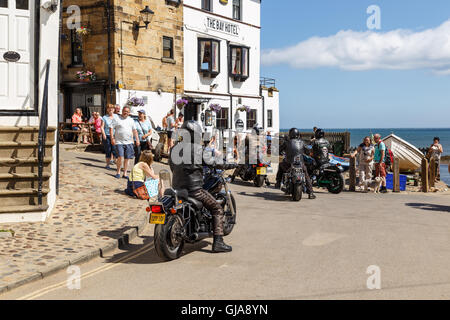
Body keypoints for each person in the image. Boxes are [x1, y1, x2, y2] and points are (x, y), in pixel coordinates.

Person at [170, 120, 232, 253]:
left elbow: (172, 167)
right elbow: (215, 163)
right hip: (194, 191)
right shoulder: (199, 150)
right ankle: (218, 242)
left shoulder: (174, 149)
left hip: (177, 189)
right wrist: (229, 165)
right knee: (217, 209)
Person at [275, 128, 315, 199]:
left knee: (280, 165)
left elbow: (279, 150)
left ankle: (278, 183)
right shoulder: (302, 142)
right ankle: (311, 193)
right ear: (298, 134)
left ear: (290, 134)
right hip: (300, 164)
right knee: (306, 176)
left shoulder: (287, 142)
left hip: (289, 164)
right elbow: (308, 151)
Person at [110, 106, 140, 179]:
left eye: (127, 111)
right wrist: (112, 138)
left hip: (129, 142)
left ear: (129, 113)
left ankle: (125, 173)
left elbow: (134, 130)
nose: (125, 112)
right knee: (120, 157)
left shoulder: (131, 120)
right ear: (122, 111)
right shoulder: (116, 118)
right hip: (119, 141)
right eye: (124, 111)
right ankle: (118, 172)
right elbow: (111, 128)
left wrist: (137, 139)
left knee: (127, 158)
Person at [101, 104, 118, 169]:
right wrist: (104, 134)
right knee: (108, 150)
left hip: (115, 136)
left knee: (115, 150)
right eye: (109, 108)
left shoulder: (116, 116)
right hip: (107, 136)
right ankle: (107, 164)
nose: (111, 109)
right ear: (107, 109)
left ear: (114, 109)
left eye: (112, 108)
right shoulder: (104, 117)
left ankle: (116, 162)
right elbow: (102, 127)